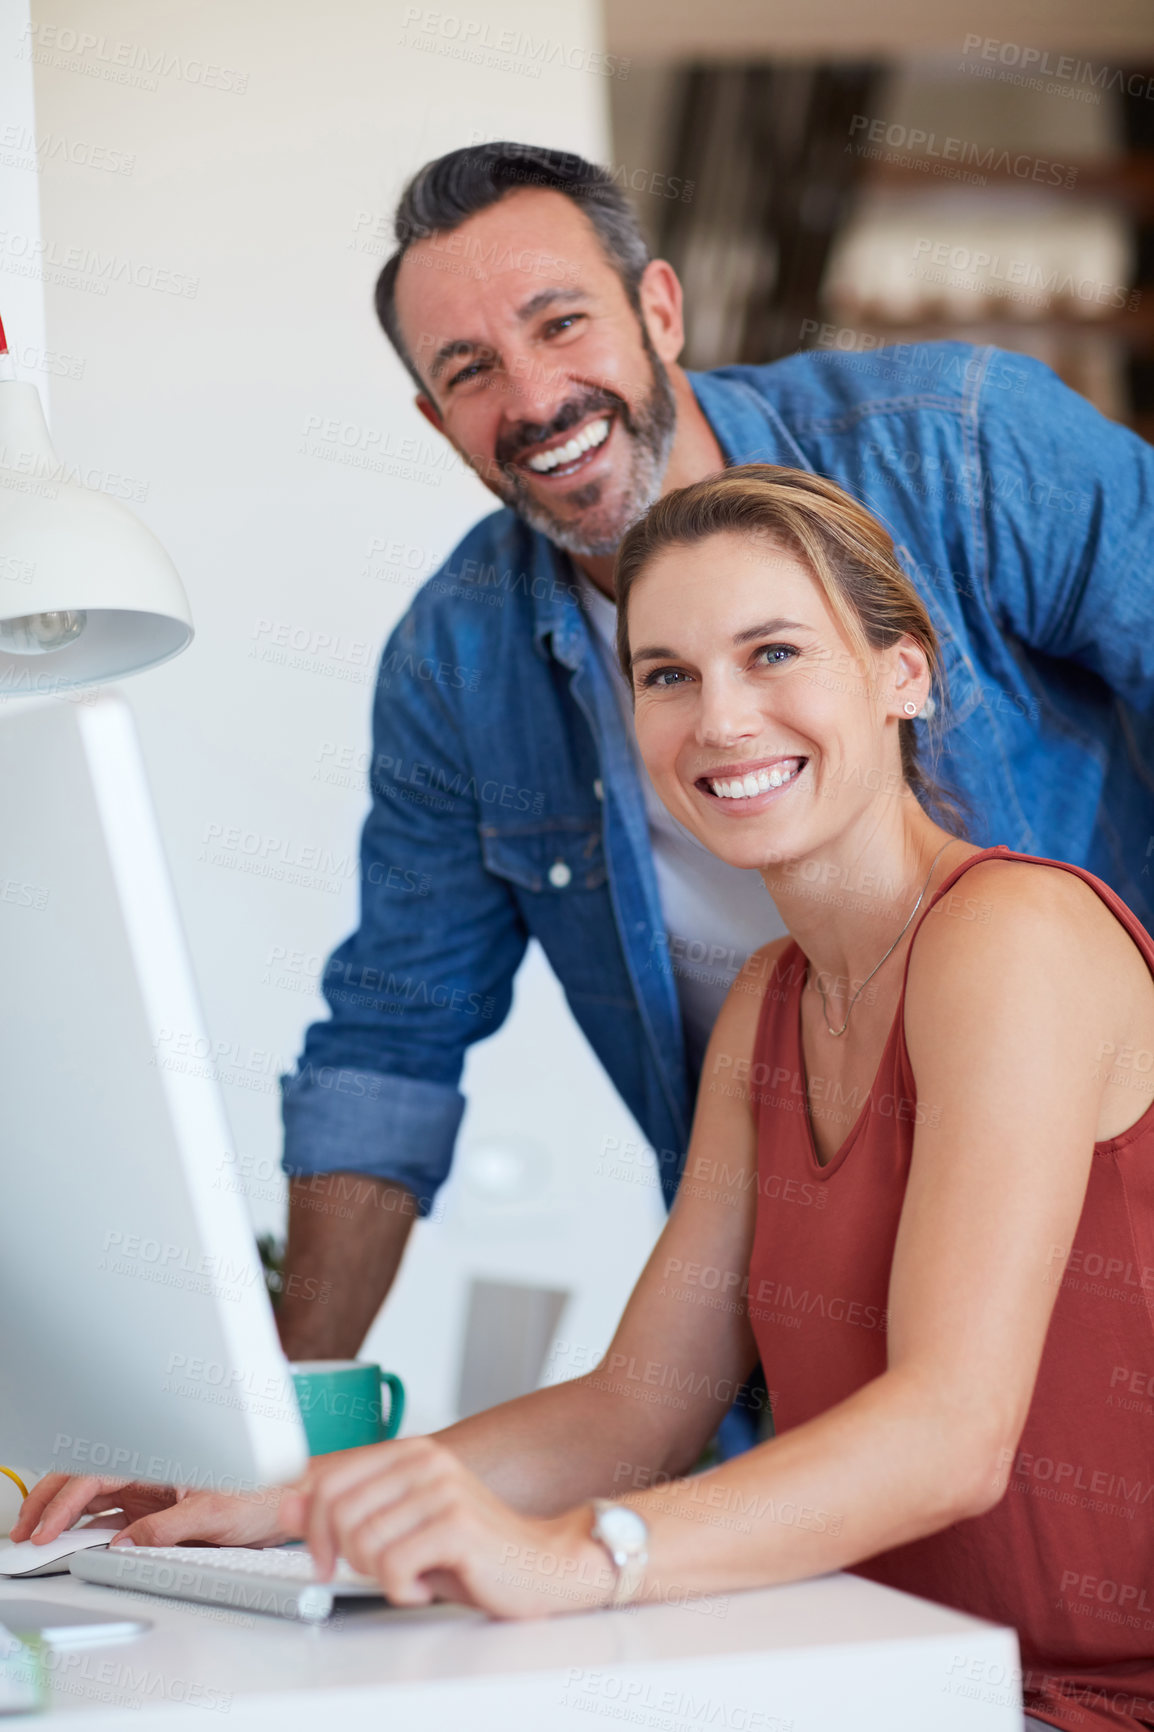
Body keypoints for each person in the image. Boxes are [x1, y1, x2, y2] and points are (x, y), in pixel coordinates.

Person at [19, 467, 1154, 1732]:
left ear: (905, 673)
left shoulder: (1013, 937)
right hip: (894, 1678)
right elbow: (636, 1406)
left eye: (771, 652)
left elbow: (951, 1430)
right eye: (666, 674)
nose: (720, 718)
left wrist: (575, 1556)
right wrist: (291, 1495)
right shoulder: (767, 1004)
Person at [273, 141, 1154, 1373]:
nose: (532, 400)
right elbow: (387, 1044)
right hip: (784, 1315)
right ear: (435, 420)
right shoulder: (458, 662)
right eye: (470, 371)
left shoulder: (960, 443)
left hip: (1108, 1260)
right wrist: (283, 1433)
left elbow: (942, 1439)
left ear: (659, 309)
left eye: (560, 322)